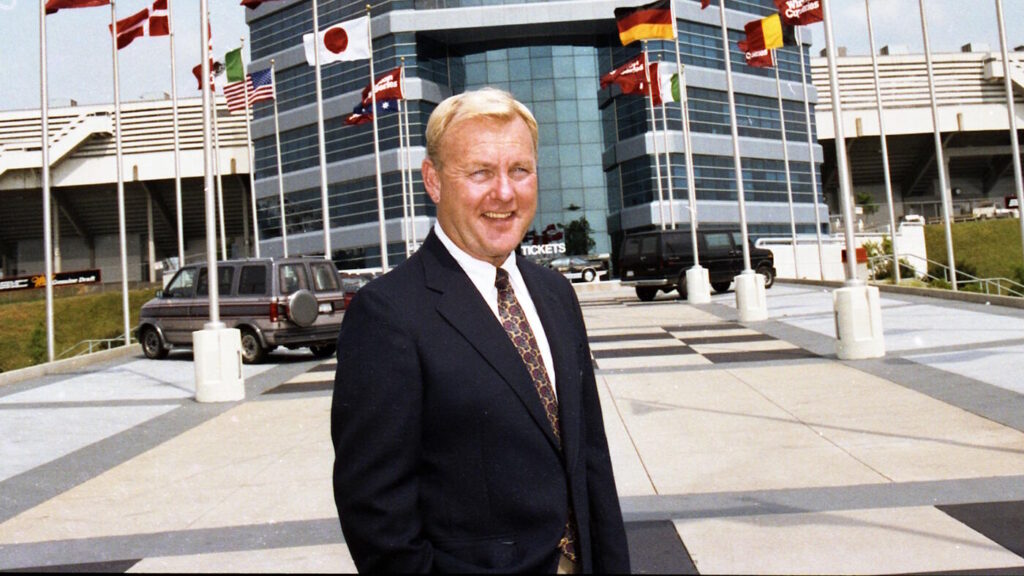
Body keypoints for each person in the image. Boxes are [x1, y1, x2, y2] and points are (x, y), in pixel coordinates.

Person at [331, 88, 630, 574]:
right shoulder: (387, 315)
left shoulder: (556, 295)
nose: (504, 193)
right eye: (480, 173)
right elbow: (376, 517)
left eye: (520, 170)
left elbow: (592, 463)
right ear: (433, 181)